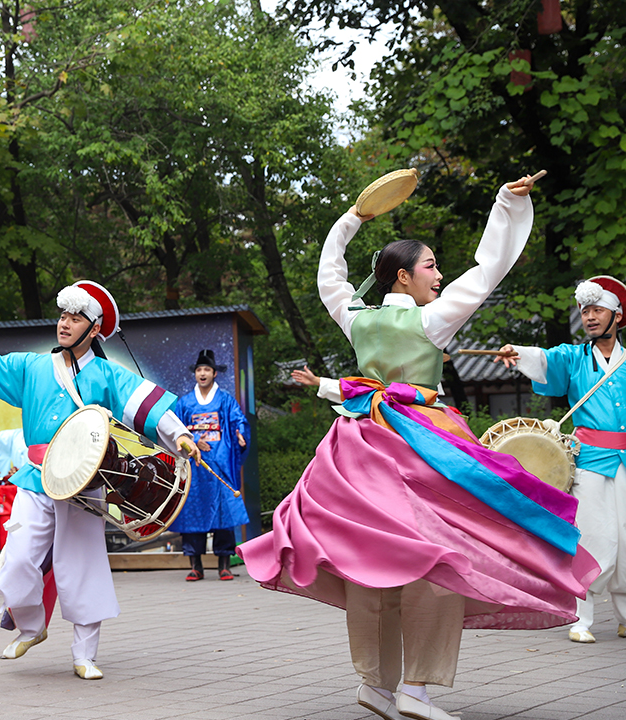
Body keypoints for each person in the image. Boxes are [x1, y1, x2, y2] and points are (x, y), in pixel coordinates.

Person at [237, 173, 599, 720]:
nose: (440, 274)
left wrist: (355, 216)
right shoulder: (432, 319)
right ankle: (417, 689)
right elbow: (490, 269)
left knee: (370, 562)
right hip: (422, 442)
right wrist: (508, 201)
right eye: (431, 266)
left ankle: (375, 684)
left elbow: (327, 271)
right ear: (404, 277)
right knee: (441, 559)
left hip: (357, 447)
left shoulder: (355, 316)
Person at [0, 280, 202, 680]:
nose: (64, 323)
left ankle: (85, 653)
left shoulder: (107, 374)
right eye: (63, 315)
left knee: (82, 566)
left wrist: (180, 435)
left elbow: (145, 403)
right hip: (37, 477)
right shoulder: (32, 367)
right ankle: (32, 628)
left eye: (76, 317)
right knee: (18, 557)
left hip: (87, 482)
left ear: (94, 329)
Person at [494, 275, 626, 644]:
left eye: (598, 310)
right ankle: (580, 617)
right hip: (589, 461)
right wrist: (516, 353)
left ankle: (625, 615)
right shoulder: (573, 358)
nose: (590, 317)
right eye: (585, 311)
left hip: (625, 461)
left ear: (617, 315)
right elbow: (543, 359)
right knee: (591, 534)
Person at [167, 349, 244, 581]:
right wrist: (192, 439)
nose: (202, 373)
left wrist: (240, 433)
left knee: (223, 511)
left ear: (214, 373)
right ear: (195, 374)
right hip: (195, 462)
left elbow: (237, 419)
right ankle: (195, 565)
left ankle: (224, 564)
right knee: (193, 509)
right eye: (199, 370)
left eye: (207, 370)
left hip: (219, 457)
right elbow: (175, 428)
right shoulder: (185, 402)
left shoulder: (225, 400)